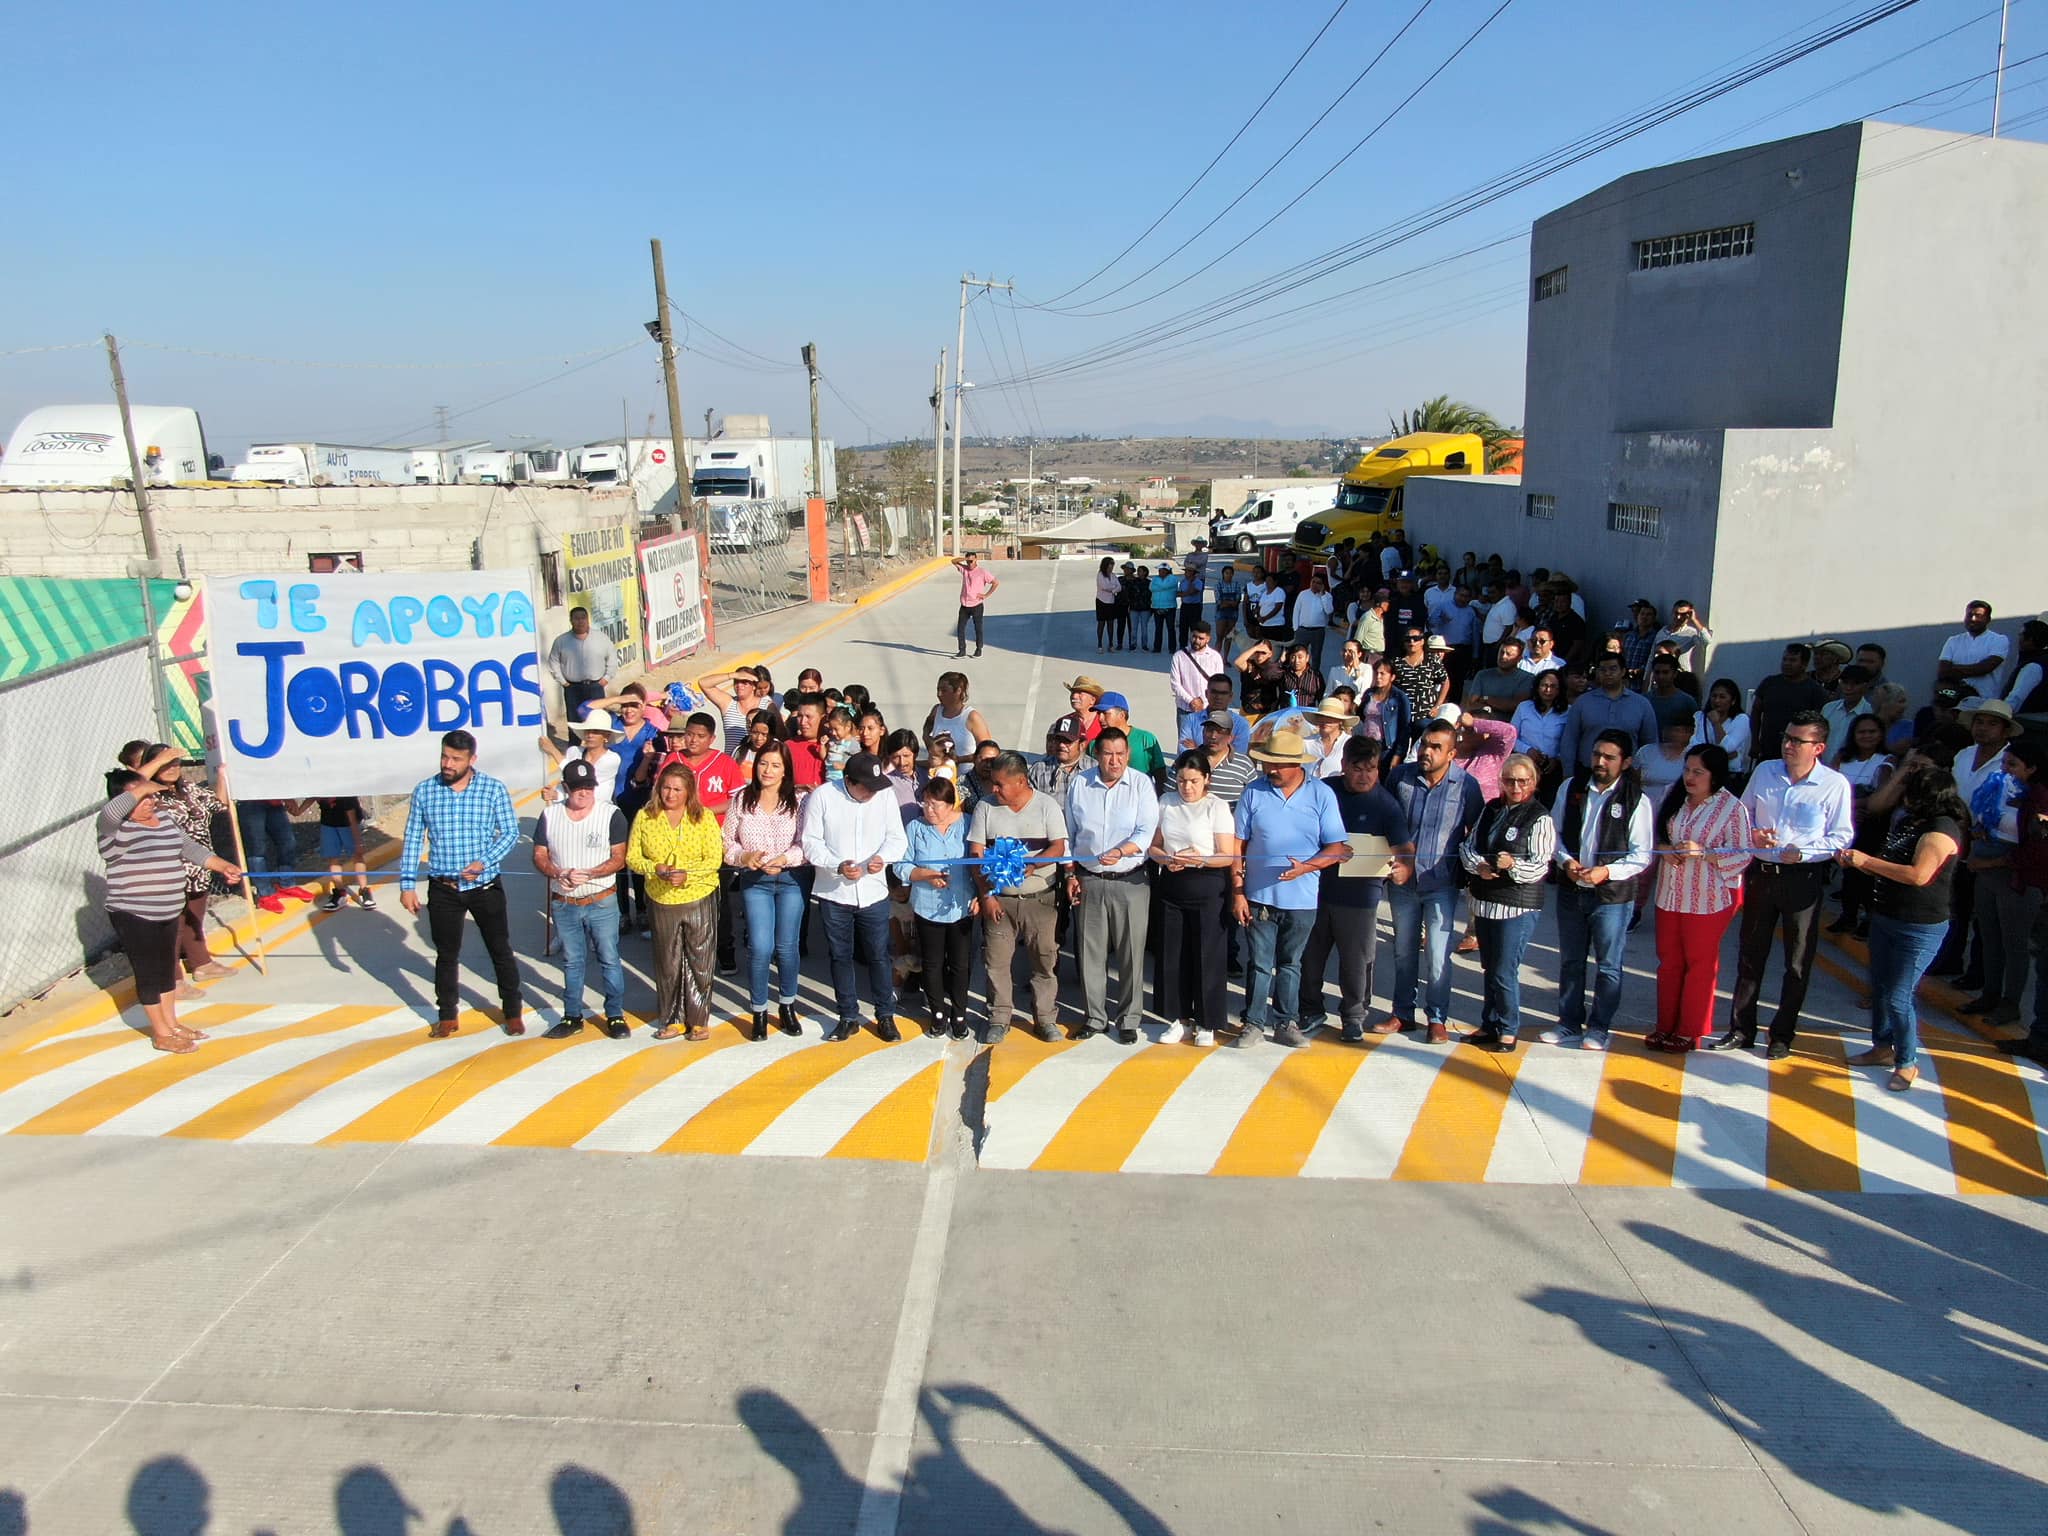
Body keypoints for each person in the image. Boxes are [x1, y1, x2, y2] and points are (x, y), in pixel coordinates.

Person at [1707, 710, 1854, 1058]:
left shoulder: (1834, 785)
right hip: (1762, 874)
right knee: (1750, 955)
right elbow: (1743, 816)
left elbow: (1841, 836)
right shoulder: (1766, 771)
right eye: (1787, 737)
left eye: (1797, 740)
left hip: (1802, 878)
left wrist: (1803, 853)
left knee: (1797, 961)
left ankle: (1782, 1034)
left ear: (1818, 747)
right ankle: (1741, 1028)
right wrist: (1753, 834)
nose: (1788, 745)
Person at [97, 751, 244, 1052]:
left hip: (168, 908)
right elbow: (116, 809)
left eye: (151, 797)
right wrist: (144, 781)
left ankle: (173, 1024)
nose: (149, 801)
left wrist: (221, 865)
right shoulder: (113, 828)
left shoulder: (162, 818)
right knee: (149, 971)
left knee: (166, 968)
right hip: (134, 913)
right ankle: (161, 1033)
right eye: (142, 797)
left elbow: (187, 846)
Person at [1841, 766, 1966, 1092]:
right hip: (1887, 916)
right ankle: (1882, 1047)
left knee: (1899, 996)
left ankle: (1907, 1061)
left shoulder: (1941, 829)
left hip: (1918, 927)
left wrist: (1865, 862)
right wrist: (1858, 862)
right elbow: (1890, 862)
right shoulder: (1911, 822)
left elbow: (1918, 875)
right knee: (1881, 988)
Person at [399, 730, 526, 1039]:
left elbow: (510, 833)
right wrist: (406, 884)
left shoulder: (492, 789)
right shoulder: (425, 791)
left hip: (484, 887)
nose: (448, 763)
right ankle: (447, 1015)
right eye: (444, 756)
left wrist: (484, 861)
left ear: (472, 759)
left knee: (500, 950)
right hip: (443, 888)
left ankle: (512, 1012)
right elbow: (414, 838)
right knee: (446, 954)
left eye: (456, 758)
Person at [1229, 728, 1349, 1048]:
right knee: (1258, 963)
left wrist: (1305, 869)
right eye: (1268, 763)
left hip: (1303, 899)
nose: (1271, 769)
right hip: (1257, 896)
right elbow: (1237, 844)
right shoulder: (1253, 792)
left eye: (1278, 764)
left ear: (1297, 764)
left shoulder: (1321, 794)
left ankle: (1286, 1022)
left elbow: (1337, 848)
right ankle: (1252, 1023)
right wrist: (1238, 892)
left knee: (1291, 963)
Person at [1538, 729, 1653, 1052]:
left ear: (1626, 762)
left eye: (1609, 757)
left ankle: (1600, 1027)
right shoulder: (1571, 787)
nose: (1600, 762)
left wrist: (1607, 872)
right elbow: (1554, 832)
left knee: (1609, 964)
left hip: (1612, 897)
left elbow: (1641, 854)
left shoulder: (1636, 800)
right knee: (1571, 961)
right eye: (1596, 754)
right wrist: (1565, 861)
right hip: (1573, 888)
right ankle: (1568, 1022)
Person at [1380, 717, 1484, 1041]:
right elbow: (1384, 820)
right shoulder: (1400, 777)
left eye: (1436, 747)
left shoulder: (1466, 786)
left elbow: (1477, 832)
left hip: (1441, 885)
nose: (1427, 751)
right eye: (1424, 743)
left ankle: (1437, 1018)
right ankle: (1402, 1013)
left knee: (1438, 956)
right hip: (1402, 884)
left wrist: (1470, 869)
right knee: (1404, 952)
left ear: (1451, 754)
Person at [1302, 737, 1410, 1042]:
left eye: (1371, 769)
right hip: (1316, 891)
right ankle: (1310, 1010)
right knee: (1309, 958)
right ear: (1344, 766)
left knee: (1356, 963)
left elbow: (1404, 846)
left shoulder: (1386, 804)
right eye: (1357, 768)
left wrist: (1405, 866)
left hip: (1360, 900)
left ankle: (1352, 1017)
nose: (1365, 776)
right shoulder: (1325, 790)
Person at [1645, 745, 1753, 1053]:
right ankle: (1665, 1025)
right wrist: (1663, 848)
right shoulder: (1673, 794)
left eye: (1698, 772)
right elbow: (1657, 835)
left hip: (1709, 897)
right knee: (1669, 962)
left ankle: (1689, 1030)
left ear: (1714, 775)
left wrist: (1704, 853)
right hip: (1670, 893)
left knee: (1700, 964)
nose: (1690, 777)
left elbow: (1744, 854)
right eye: (1687, 770)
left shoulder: (1732, 807)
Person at [802, 752, 909, 1042]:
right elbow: (810, 843)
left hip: (873, 892)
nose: (873, 792)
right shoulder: (823, 797)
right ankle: (847, 1015)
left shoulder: (884, 797)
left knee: (879, 955)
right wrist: (837, 865)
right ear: (848, 781)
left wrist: (882, 858)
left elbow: (897, 838)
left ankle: (885, 1015)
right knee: (840, 956)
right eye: (866, 787)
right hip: (834, 893)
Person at [1065, 727, 1160, 1043]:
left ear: (1128, 755)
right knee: (1090, 953)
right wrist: (1070, 875)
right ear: (1097, 754)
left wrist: (1122, 851)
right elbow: (1069, 832)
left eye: (1120, 754)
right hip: (1090, 879)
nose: (1115, 761)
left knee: (1131, 954)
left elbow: (1146, 832)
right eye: (1108, 754)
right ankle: (1094, 1017)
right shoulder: (1080, 784)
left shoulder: (1141, 785)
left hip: (1130, 880)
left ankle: (1129, 1019)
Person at [1456, 752, 1554, 1052]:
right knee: (1489, 966)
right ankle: (1490, 1023)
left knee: (1504, 970)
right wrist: (1479, 867)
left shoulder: (1540, 817)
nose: (1515, 787)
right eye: (1509, 780)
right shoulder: (1491, 808)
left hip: (1517, 905)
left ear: (1533, 783)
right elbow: (1467, 847)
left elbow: (1540, 865)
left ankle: (1509, 1029)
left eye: (1522, 781)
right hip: (1485, 901)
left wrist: (1512, 866)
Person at [969, 752, 1069, 1042]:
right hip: (1000, 902)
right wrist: (987, 894)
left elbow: (1059, 847)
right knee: (997, 963)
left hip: (1040, 899)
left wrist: (1035, 865)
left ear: (1021, 781)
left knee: (1044, 960)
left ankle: (1045, 1018)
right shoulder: (985, 808)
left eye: (1000, 784)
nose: (994, 789)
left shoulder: (1046, 806)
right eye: (993, 784)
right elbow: (975, 855)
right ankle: (999, 1018)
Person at [532, 759, 630, 1041]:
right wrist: (558, 872)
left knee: (609, 958)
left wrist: (590, 874)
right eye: (577, 788)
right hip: (565, 901)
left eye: (588, 787)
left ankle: (615, 1014)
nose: (584, 793)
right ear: (566, 788)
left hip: (601, 899)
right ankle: (572, 1015)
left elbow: (618, 858)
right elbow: (540, 855)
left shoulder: (611, 814)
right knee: (572, 961)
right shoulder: (550, 816)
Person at [123, 744, 234, 990]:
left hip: (199, 866)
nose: (172, 769)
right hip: (168, 868)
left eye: (175, 764)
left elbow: (218, 804)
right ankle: (172, 979)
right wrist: (161, 758)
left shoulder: (188, 790)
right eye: (165, 764)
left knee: (193, 920)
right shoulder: (147, 796)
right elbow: (132, 786)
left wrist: (223, 776)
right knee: (171, 927)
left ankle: (201, 963)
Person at [626, 760, 722, 1041]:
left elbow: (714, 859)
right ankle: (671, 1018)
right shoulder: (646, 816)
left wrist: (687, 875)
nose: (670, 794)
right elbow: (633, 857)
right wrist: (654, 868)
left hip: (698, 895)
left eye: (677, 789)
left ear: (688, 792)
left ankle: (699, 1019)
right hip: (661, 896)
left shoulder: (702, 817)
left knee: (700, 959)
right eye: (666, 788)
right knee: (667, 961)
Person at [1150, 750, 1240, 1046]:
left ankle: (1206, 1022)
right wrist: (1165, 859)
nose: (1186, 787)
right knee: (1172, 954)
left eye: (1193, 781)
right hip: (1173, 885)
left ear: (1206, 780)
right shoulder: (1166, 802)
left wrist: (1199, 859)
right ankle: (1178, 1018)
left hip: (1208, 886)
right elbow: (1154, 846)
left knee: (1207, 955)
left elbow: (1226, 855)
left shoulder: (1217, 807)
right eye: (1181, 781)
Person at [723, 742, 808, 1040]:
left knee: (787, 946)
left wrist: (786, 859)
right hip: (755, 882)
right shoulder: (740, 800)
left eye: (775, 765)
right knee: (760, 947)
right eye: (763, 764)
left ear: (785, 770)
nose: (767, 771)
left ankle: (787, 1005)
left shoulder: (799, 800)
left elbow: (805, 843)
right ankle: (758, 1009)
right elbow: (728, 842)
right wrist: (743, 857)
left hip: (790, 879)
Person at [1963, 736, 2044, 1027]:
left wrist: (1992, 862)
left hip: (2017, 877)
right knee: (1989, 936)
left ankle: (2010, 1003)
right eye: (2005, 763)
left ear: (2032, 768)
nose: (2007, 769)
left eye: (2014, 764)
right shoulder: (1999, 786)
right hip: (1988, 870)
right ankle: (1990, 993)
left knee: (2014, 943)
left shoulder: (2040, 798)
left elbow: (2037, 848)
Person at [896, 778, 975, 1039]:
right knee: (932, 963)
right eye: (926, 803)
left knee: (960, 964)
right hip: (927, 907)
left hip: (960, 906)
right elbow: (901, 864)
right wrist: (924, 874)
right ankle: (938, 1012)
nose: (929, 810)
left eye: (936, 805)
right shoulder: (915, 828)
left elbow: (978, 864)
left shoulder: (967, 825)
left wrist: (979, 896)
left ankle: (960, 1013)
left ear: (951, 805)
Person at [1827, 713, 1895, 937]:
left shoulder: (1886, 761)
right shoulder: (1842, 757)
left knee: (1867, 872)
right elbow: (1828, 786)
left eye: (1872, 732)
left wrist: (1854, 804)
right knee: (1847, 871)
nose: (1866, 736)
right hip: (1845, 820)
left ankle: (1869, 918)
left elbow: (1881, 795)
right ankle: (1847, 916)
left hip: (1871, 825)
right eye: (1861, 732)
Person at [1558, 653, 1657, 771]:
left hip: (1627, 774)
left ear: (1623, 671)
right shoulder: (1583, 702)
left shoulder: (1641, 704)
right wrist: (1568, 773)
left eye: (1613, 669)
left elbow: (1650, 744)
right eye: (1603, 670)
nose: (1608, 673)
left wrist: (1644, 774)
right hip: (1587, 771)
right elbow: (1570, 740)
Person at [1750, 644, 1829, 759]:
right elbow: (1756, 712)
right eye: (1785, 659)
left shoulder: (1815, 690)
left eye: (1792, 660)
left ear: (1804, 664)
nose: (1787, 663)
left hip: (1796, 752)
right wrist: (1754, 742)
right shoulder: (1769, 683)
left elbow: (1819, 724)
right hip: (1767, 749)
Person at [236, 795, 313, 913]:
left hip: (274, 800)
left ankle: (286, 884)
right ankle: (265, 894)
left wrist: (287, 797)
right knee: (257, 848)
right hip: (250, 801)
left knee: (287, 842)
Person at [542, 710, 626, 807]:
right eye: (588, 731)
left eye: (595, 732)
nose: (590, 735)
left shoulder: (612, 759)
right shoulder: (574, 751)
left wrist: (554, 751)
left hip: (599, 811)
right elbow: (564, 782)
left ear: (606, 736)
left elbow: (580, 778)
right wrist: (553, 794)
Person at [547, 605, 614, 724]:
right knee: (574, 721)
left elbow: (612, 658)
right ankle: (574, 743)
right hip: (573, 688)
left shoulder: (601, 638)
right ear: (571, 621)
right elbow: (553, 662)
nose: (580, 621)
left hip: (596, 686)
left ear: (588, 619)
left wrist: (606, 678)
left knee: (598, 720)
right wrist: (563, 682)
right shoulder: (561, 641)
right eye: (576, 618)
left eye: (583, 618)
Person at [1509, 668, 1568, 797]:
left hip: (1552, 769)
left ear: (1559, 689)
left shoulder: (1568, 711)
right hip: (1524, 765)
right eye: (1544, 685)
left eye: (1553, 686)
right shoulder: (1524, 707)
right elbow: (1511, 736)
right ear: (1537, 687)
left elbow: (1569, 741)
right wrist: (1528, 750)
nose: (1548, 690)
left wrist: (1556, 759)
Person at [309, 795, 372, 912]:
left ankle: (364, 891)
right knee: (333, 857)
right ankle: (340, 893)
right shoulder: (320, 788)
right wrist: (298, 809)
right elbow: (312, 796)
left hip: (347, 823)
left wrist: (358, 842)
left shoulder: (345, 796)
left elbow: (352, 819)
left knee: (357, 855)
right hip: (328, 823)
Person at [1089, 692, 1166, 786]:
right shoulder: (1094, 745)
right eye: (1098, 713)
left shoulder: (1146, 739)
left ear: (1121, 715)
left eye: (1105, 713)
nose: (1100, 718)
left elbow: (1160, 775)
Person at [1170, 621, 1228, 744]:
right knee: (1185, 745)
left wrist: (1202, 700)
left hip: (1208, 708)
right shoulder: (1179, 656)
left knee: (1208, 743)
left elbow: (1219, 683)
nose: (1196, 640)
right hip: (1184, 709)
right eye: (1194, 636)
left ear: (1208, 639)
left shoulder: (1215, 657)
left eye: (1201, 638)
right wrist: (1191, 701)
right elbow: (1175, 684)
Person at [1935, 599, 2009, 690]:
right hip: (1956, 701)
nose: (1972, 619)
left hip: (1985, 700)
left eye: (1978, 616)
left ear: (1988, 619)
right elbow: (1942, 671)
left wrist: (1953, 669)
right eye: (1969, 615)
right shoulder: (1953, 641)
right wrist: (1973, 669)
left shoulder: (1999, 640)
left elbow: (1985, 668)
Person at [1690, 678, 1753, 775]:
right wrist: (1725, 756)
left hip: (1729, 773)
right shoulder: (1699, 717)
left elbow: (1726, 748)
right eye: (1714, 696)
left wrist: (1716, 723)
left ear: (1733, 700)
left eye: (1722, 697)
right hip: (1700, 772)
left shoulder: (1741, 719)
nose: (1716, 700)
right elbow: (1694, 747)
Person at [1178, 673, 1252, 754]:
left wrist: (1197, 749)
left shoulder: (1241, 724)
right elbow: (1184, 753)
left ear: (1231, 696)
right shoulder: (1191, 720)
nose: (1218, 697)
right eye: (1214, 692)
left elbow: (1238, 756)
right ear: (1206, 694)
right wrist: (1225, 751)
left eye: (1223, 693)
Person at [922, 671, 989, 760]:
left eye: (944, 690)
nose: (939, 694)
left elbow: (987, 750)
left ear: (958, 691)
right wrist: (932, 747)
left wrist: (958, 760)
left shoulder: (972, 716)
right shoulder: (936, 710)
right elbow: (927, 729)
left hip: (965, 772)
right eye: (938, 690)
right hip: (939, 771)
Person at [1466, 637, 1534, 718]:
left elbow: (1515, 706)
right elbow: (1471, 703)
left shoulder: (1527, 678)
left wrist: (1486, 699)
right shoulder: (1482, 675)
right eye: (1501, 652)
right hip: (1482, 722)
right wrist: (1496, 705)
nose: (1503, 656)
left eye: (1509, 654)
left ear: (1519, 659)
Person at [1389, 628, 1450, 719]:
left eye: (1416, 638)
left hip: (1425, 714)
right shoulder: (1397, 662)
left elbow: (1445, 682)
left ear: (1422, 641)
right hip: (1401, 713)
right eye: (1407, 639)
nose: (1411, 642)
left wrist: (1437, 706)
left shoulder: (1431, 660)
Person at [1030, 715, 1088, 799]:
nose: (1061, 745)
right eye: (1058, 739)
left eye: (1068, 741)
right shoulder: (1039, 770)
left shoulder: (1094, 770)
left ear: (1082, 744)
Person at [953, 551, 997, 658]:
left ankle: (978, 649)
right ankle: (962, 650)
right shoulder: (965, 569)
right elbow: (953, 561)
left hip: (977, 605)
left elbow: (995, 582)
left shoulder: (982, 572)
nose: (969, 564)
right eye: (968, 562)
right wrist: (965, 559)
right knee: (960, 629)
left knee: (978, 628)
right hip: (964, 605)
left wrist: (986, 595)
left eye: (971, 561)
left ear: (976, 559)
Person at [1292, 569, 1335, 675]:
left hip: (1318, 631)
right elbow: (1296, 611)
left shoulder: (1327, 596)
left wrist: (1323, 594)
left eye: (1318, 583)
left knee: (1316, 656)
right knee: (1298, 653)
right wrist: (1296, 628)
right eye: (1313, 582)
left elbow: (1329, 610)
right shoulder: (1303, 594)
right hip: (1302, 630)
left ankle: (1313, 676)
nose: (1315, 585)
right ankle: (1298, 673)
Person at [1642, 654, 1696, 735]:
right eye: (1657, 672)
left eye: (1665, 672)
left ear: (1675, 674)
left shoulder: (1687, 702)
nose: (1661, 676)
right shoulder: (1644, 700)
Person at [1654, 599, 1713, 673]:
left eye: (1683, 614)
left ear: (1689, 614)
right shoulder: (1662, 631)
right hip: (1660, 674)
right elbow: (1652, 655)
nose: (1678, 617)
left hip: (1680, 674)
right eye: (1676, 613)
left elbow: (1706, 641)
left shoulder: (1691, 633)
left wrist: (1694, 620)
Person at [1060, 676, 1106, 741]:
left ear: (1092, 700)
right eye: (1073, 692)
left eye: (1080, 693)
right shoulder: (1065, 721)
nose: (1074, 696)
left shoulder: (1104, 722)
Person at [1094, 556, 1124, 653]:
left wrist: (1113, 590)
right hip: (1101, 601)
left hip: (1111, 601)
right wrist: (1113, 588)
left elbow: (1119, 587)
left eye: (1112, 565)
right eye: (1110, 564)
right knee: (1101, 623)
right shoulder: (1100, 575)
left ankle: (1111, 644)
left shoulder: (1113, 576)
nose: (1111, 567)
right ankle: (1099, 644)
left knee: (1111, 623)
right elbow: (1104, 586)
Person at [1149, 563, 1180, 654]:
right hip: (1157, 606)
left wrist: (1158, 587)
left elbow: (1164, 586)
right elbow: (1151, 588)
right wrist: (1161, 588)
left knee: (1170, 628)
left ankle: (1172, 647)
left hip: (1169, 607)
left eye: (1162, 570)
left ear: (1167, 571)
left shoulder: (1173, 579)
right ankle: (1157, 647)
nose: (1160, 572)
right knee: (1158, 628)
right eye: (1159, 570)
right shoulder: (1155, 578)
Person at [1213, 562, 1244, 649]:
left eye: (1230, 573)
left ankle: (1225, 659)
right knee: (1219, 636)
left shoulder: (1237, 584)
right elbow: (1219, 601)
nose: (1229, 575)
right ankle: (1216, 658)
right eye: (1227, 573)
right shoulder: (1218, 584)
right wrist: (1231, 602)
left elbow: (1238, 599)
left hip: (1233, 613)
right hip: (1221, 613)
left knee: (1228, 636)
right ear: (1223, 574)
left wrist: (1227, 602)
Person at [1177, 562, 1206, 649]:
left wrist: (1184, 593)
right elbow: (1179, 594)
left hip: (1195, 606)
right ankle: (1183, 646)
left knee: (1195, 628)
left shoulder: (1198, 582)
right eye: (1186, 571)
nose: (1186, 573)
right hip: (1185, 606)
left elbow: (1192, 592)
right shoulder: (1182, 582)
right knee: (1183, 627)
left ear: (1193, 573)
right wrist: (1184, 594)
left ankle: (1195, 645)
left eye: (1189, 571)